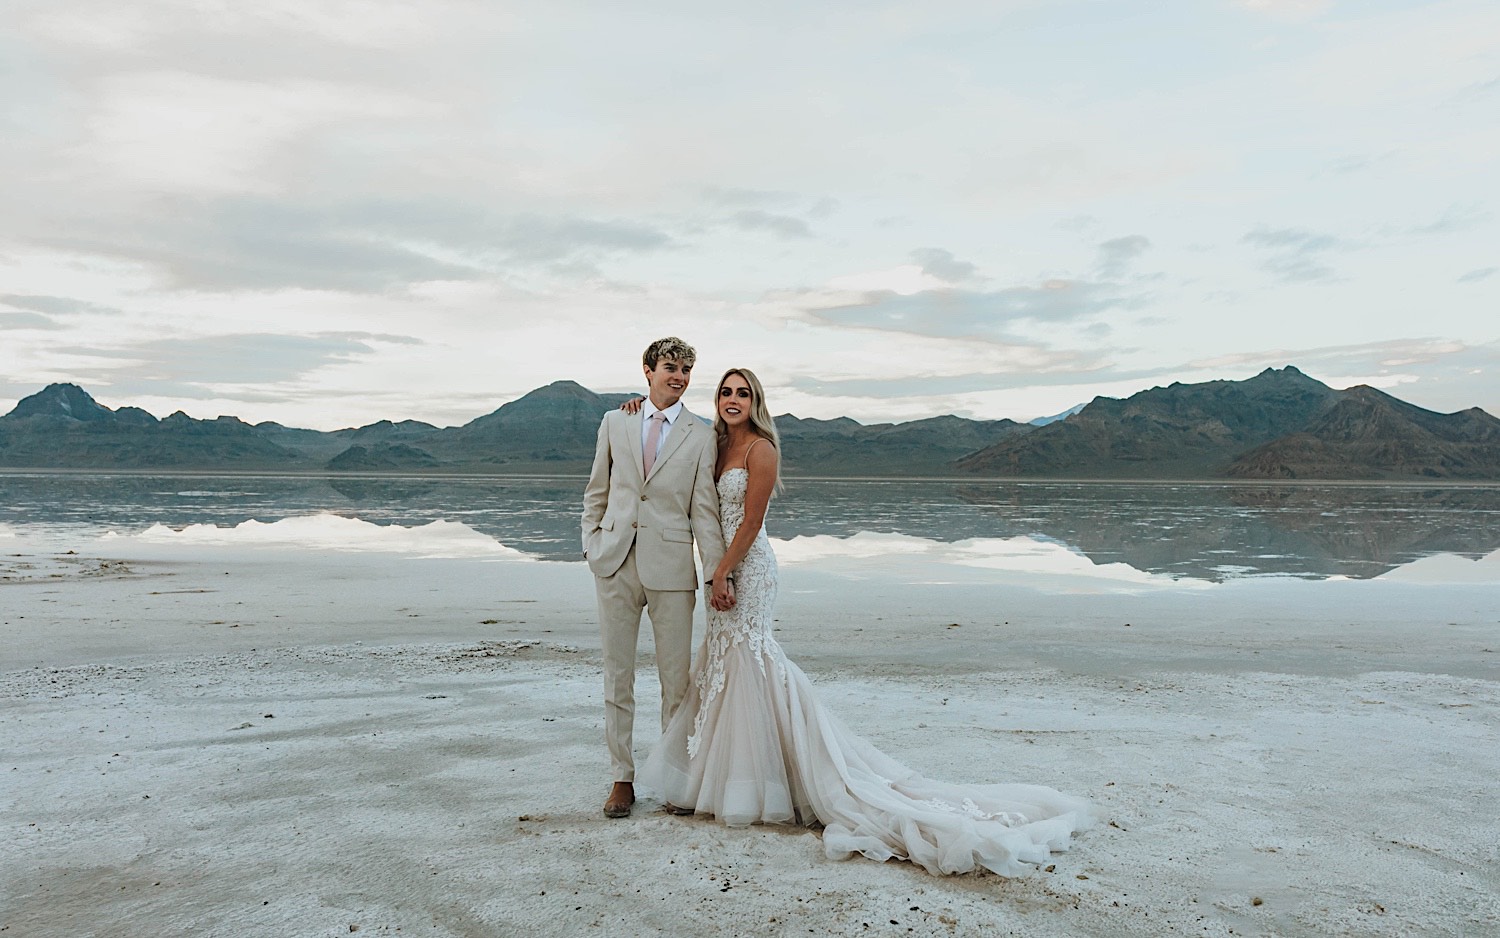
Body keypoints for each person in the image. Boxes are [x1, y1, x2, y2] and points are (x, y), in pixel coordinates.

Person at [632, 368, 1095, 875]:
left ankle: (792, 779)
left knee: (752, 661)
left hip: (748, 570)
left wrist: (722, 572)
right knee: (726, 665)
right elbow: (668, 429)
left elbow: (752, 522)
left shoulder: (760, 449)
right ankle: (729, 779)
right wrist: (640, 405)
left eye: (743, 393)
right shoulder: (711, 444)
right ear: (716, 399)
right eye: (726, 392)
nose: (733, 399)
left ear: (756, 401)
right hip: (722, 569)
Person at [582, 337, 730, 819]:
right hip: (615, 563)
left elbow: (704, 512)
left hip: (670, 570)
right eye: (670, 367)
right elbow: (596, 492)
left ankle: (672, 778)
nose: (680, 376)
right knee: (617, 676)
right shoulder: (614, 421)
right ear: (647, 370)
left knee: (676, 682)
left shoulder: (701, 435)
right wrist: (592, 544)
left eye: (687, 369)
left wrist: (715, 574)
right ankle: (621, 778)